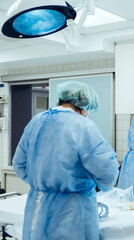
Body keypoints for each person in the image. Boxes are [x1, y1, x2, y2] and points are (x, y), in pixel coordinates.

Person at [12, 81, 120, 240]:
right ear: (84, 105)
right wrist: (99, 186)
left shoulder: (37, 121)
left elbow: (19, 164)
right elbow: (107, 171)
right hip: (72, 209)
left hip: (37, 206)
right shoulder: (83, 126)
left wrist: (43, 184)